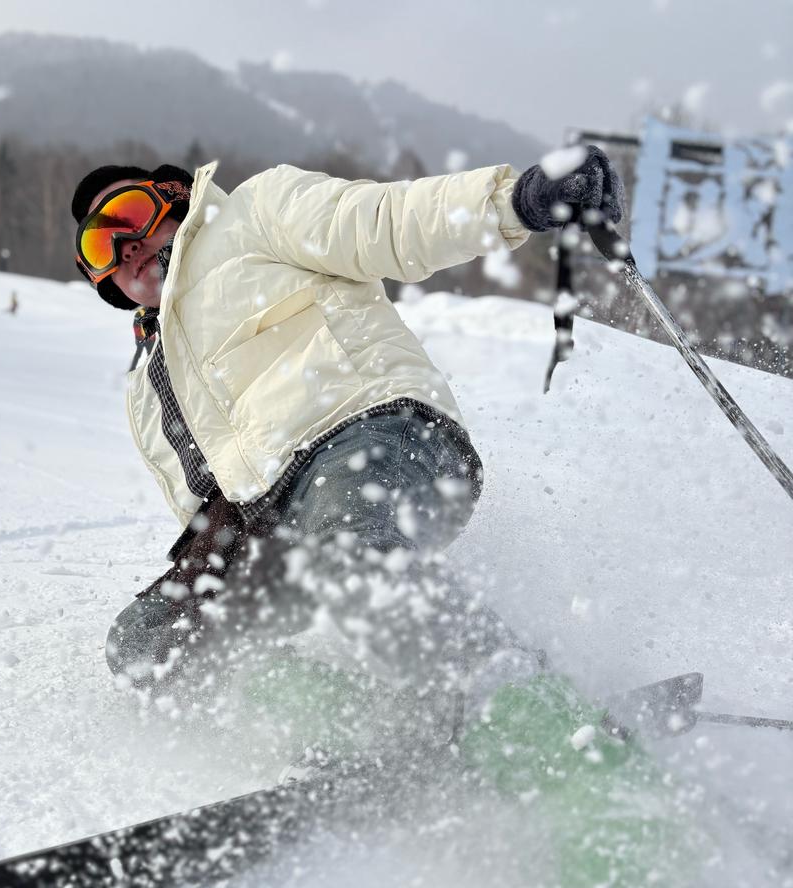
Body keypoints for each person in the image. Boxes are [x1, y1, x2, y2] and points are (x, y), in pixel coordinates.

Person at [71, 149, 625, 705]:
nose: (126, 247)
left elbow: (386, 221)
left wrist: (515, 200)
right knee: (146, 643)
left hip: (370, 436)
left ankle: (524, 704)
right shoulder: (149, 384)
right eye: (100, 247)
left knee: (348, 556)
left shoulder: (254, 214)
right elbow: (204, 495)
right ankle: (359, 722)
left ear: (173, 198)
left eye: (129, 216)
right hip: (264, 517)